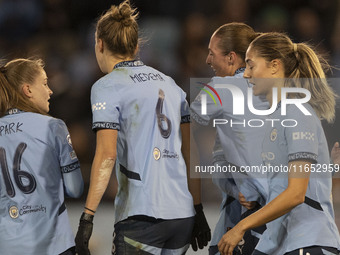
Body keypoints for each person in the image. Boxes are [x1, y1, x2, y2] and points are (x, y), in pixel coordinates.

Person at [74, 1, 210, 254]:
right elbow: (192, 154)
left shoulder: (107, 86)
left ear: (99, 44)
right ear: (136, 47)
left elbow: (107, 155)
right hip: (182, 214)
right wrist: (199, 209)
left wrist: (87, 216)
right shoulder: (171, 84)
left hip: (143, 215)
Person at [218, 32, 340, 255]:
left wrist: (241, 227)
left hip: (307, 242)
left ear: (274, 66)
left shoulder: (298, 112)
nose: (246, 74)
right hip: (278, 242)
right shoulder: (278, 117)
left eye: (251, 66)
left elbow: (296, 193)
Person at [190, 22, 269, 255]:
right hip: (282, 208)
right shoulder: (277, 89)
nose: (207, 60)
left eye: (211, 53)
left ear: (232, 57)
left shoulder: (221, 86)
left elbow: (181, 125)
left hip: (246, 216)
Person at [0, 58, 84, 255]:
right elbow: (75, 188)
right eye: (45, 84)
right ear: (27, 90)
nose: (50, 91)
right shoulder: (53, 126)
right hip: (53, 244)